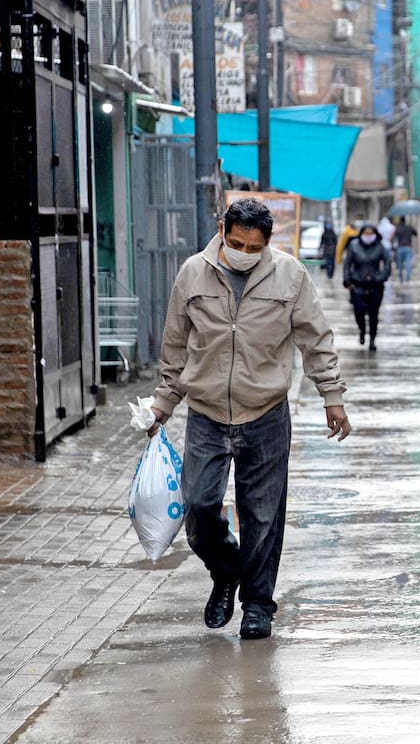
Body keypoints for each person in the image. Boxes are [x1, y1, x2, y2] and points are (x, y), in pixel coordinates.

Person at [148, 198, 352, 641]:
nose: (242, 251)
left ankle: (258, 605)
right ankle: (226, 570)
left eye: (252, 246)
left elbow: (316, 339)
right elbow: (176, 346)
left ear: (267, 242)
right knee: (199, 507)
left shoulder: (290, 275)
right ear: (222, 229)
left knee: (262, 515)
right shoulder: (192, 273)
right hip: (206, 412)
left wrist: (331, 395)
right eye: (235, 241)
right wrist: (163, 403)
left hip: (265, 412)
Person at [342, 221, 391, 351]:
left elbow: (387, 264)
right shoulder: (354, 246)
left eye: (371, 233)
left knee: (373, 314)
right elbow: (347, 264)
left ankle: (372, 339)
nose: (368, 236)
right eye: (366, 233)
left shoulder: (380, 247)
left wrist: (381, 277)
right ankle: (362, 330)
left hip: (375, 286)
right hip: (358, 285)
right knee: (359, 312)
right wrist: (347, 280)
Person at [393, 215, 418, 284]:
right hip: (408, 247)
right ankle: (407, 279)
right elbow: (416, 233)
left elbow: (394, 238)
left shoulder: (397, 228)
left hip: (400, 247)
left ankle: (401, 279)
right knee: (408, 263)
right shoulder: (409, 227)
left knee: (400, 265)